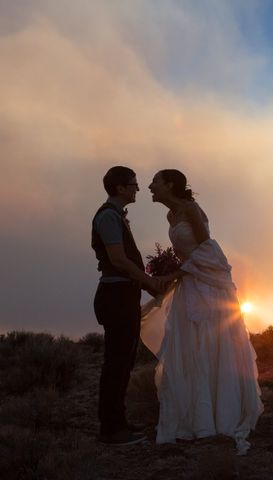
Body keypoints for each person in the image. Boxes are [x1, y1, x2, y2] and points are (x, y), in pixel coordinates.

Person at [141, 169, 263, 455]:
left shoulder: (191, 209)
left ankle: (218, 418)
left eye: (156, 182)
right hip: (189, 285)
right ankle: (196, 419)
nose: (150, 186)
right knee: (190, 348)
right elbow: (187, 253)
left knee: (208, 343)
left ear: (170, 184)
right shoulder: (170, 216)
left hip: (207, 286)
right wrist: (170, 270)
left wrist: (173, 274)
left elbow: (208, 250)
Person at [91, 166, 164, 445]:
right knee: (116, 364)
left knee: (123, 363)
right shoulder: (109, 217)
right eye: (133, 184)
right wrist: (148, 280)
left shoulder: (115, 216)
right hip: (116, 297)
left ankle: (118, 422)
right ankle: (111, 430)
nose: (137, 188)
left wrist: (147, 285)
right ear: (120, 187)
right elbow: (119, 260)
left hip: (124, 295)